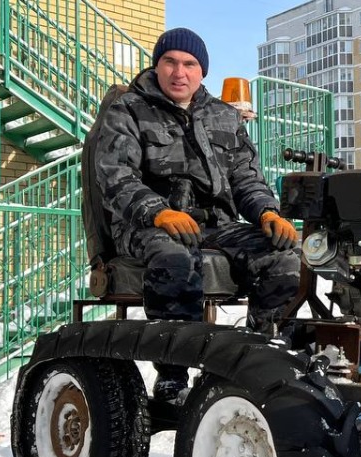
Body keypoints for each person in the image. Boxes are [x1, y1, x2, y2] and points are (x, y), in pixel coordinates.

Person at [92, 27, 301, 401]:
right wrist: (157, 211)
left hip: (215, 227)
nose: (179, 72)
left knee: (283, 255)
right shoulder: (128, 111)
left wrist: (268, 213)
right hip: (147, 225)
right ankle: (173, 374)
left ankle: (261, 354)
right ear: (157, 66)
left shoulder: (224, 117)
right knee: (174, 257)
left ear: (201, 71)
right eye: (170, 62)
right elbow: (115, 177)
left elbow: (245, 178)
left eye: (189, 64)